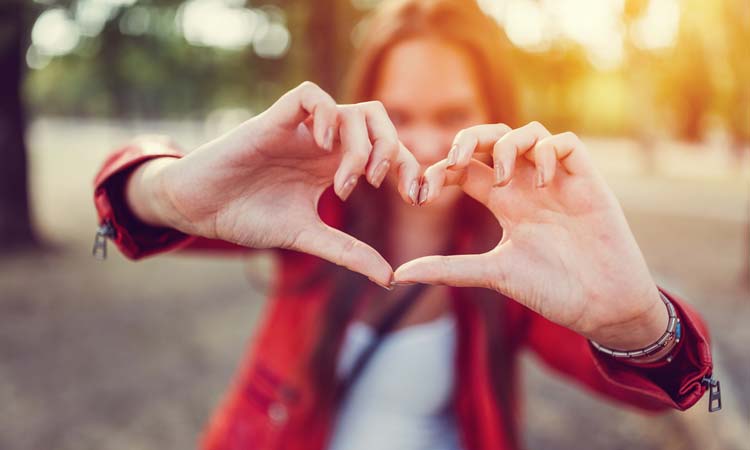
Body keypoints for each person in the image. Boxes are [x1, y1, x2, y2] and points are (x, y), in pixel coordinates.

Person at [92, 1, 717, 449]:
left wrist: (638, 326)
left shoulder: (520, 260)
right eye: (401, 114)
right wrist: (167, 190)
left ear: (494, 115)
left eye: (452, 115)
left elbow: (676, 389)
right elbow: (123, 218)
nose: (422, 143)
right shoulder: (312, 209)